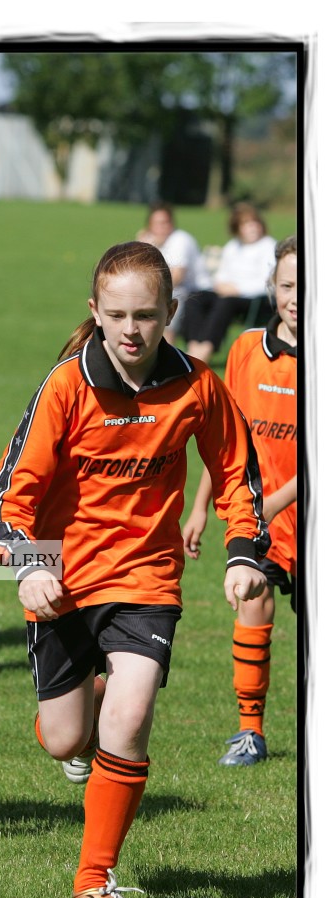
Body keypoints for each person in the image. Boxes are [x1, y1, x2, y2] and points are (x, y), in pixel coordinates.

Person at [0, 241, 269, 898]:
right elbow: (5, 501)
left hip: (145, 578)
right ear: (95, 312)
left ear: (171, 310)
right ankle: (85, 715)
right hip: (63, 582)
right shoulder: (65, 386)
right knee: (62, 737)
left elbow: (237, 476)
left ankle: (94, 879)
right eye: (117, 315)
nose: (132, 330)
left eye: (146, 314)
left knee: (132, 716)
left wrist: (239, 554)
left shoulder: (197, 385)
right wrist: (27, 566)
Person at [182, 235, 298, 766]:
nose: (296, 296)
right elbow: (226, 440)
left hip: (295, 513)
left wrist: (273, 504)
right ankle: (250, 731)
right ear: (271, 288)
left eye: (308, 285)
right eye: (287, 285)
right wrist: (201, 506)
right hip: (261, 515)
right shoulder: (249, 348)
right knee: (253, 598)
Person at [182, 203, 277, 365]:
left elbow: (268, 281)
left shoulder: (269, 245)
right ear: (238, 227)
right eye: (246, 224)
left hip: (254, 299)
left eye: (254, 222)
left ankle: (206, 348)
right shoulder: (233, 247)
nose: (252, 227)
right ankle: (194, 345)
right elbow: (222, 274)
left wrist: (237, 289)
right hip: (228, 293)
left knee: (225, 303)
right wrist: (221, 285)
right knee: (195, 298)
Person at [136, 202, 211, 345]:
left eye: (166, 222)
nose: (162, 227)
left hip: (196, 291)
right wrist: (143, 248)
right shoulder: (151, 241)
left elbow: (176, 277)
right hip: (167, 289)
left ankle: (166, 353)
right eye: (157, 223)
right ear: (149, 226)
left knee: (168, 305)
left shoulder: (180, 240)